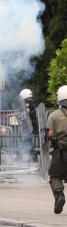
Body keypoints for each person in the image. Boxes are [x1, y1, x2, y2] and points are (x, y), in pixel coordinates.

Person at [46, 85, 67, 215]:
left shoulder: (54, 115)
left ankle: (59, 196)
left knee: (54, 176)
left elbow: (49, 134)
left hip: (60, 153)